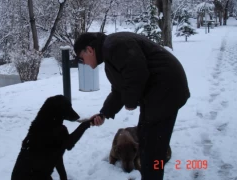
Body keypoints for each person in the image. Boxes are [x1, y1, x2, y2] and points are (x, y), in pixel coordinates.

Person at [73, 31, 190, 180]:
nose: (86, 64)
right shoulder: (110, 55)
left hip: (166, 90)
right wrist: (104, 113)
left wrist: (130, 101)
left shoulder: (115, 45)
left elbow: (137, 72)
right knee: (145, 144)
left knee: (152, 151)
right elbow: (119, 90)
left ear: (89, 50)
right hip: (159, 94)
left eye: (82, 59)